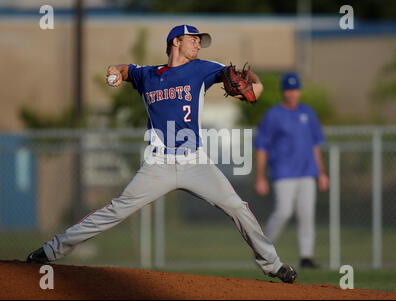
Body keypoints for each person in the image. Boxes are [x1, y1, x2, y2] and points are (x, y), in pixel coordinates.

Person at [27, 25, 297, 283]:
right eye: (194, 39)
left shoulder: (204, 69)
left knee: (237, 207)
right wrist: (114, 72)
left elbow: (246, 82)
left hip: (196, 162)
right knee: (116, 210)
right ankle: (52, 250)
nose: (198, 44)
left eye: (201, 41)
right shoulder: (147, 75)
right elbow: (123, 69)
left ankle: (273, 265)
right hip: (159, 163)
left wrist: (254, 86)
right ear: (176, 41)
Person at [254, 72, 329, 269]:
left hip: (307, 172)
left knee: (307, 214)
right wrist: (260, 177)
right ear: (283, 92)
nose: (292, 94)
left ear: (299, 91)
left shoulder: (308, 113)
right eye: (289, 90)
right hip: (283, 173)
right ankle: (262, 249)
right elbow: (262, 147)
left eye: (295, 90)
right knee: (284, 212)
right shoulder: (274, 115)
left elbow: (315, 145)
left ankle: (306, 257)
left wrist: (321, 172)